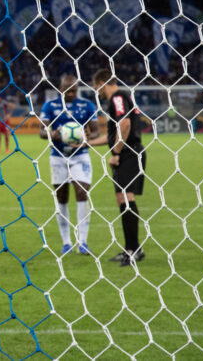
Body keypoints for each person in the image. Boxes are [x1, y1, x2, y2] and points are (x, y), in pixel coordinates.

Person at [87, 69, 146, 267]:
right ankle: (132, 248)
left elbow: (125, 124)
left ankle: (133, 250)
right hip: (130, 152)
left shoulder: (118, 97)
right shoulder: (122, 98)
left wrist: (116, 153)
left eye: (98, 88)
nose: (98, 92)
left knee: (126, 198)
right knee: (123, 198)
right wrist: (88, 143)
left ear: (104, 82)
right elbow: (113, 135)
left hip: (129, 154)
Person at [39, 75, 99, 255]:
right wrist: (53, 134)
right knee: (62, 197)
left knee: (82, 192)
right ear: (60, 89)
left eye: (74, 90)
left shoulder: (87, 105)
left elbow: (96, 131)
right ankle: (66, 242)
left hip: (80, 156)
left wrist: (87, 138)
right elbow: (42, 132)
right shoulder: (50, 106)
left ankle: (83, 242)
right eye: (68, 90)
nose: (71, 93)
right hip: (57, 157)